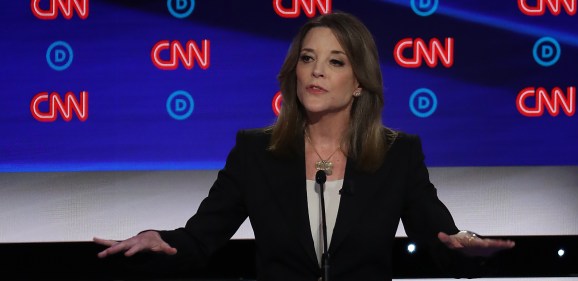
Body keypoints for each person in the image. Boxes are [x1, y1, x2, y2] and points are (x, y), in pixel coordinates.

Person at [95, 12, 515, 281]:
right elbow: (201, 238)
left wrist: (467, 245)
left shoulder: (397, 154)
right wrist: (158, 239)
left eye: (336, 62)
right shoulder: (255, 152)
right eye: (307, 58)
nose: (316, 72)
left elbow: (438, 236)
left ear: (358, 84)